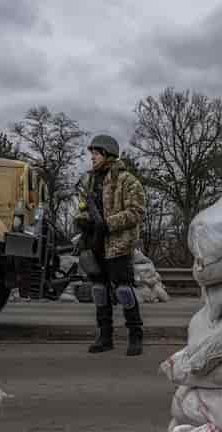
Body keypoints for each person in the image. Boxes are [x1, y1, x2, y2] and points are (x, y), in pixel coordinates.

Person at [75, 134, 146, 356]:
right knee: (99, 290)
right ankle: (105, 337)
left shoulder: (127, 181)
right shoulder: (89, 180)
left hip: (118, 244)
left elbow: (136, 212)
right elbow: (83, 207)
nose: (92, 158)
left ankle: (136, 336)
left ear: (107, 155)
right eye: (92, 154)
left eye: (95, 154)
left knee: (124, 290)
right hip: (95, 243)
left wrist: (109, 224)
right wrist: (82, 220)